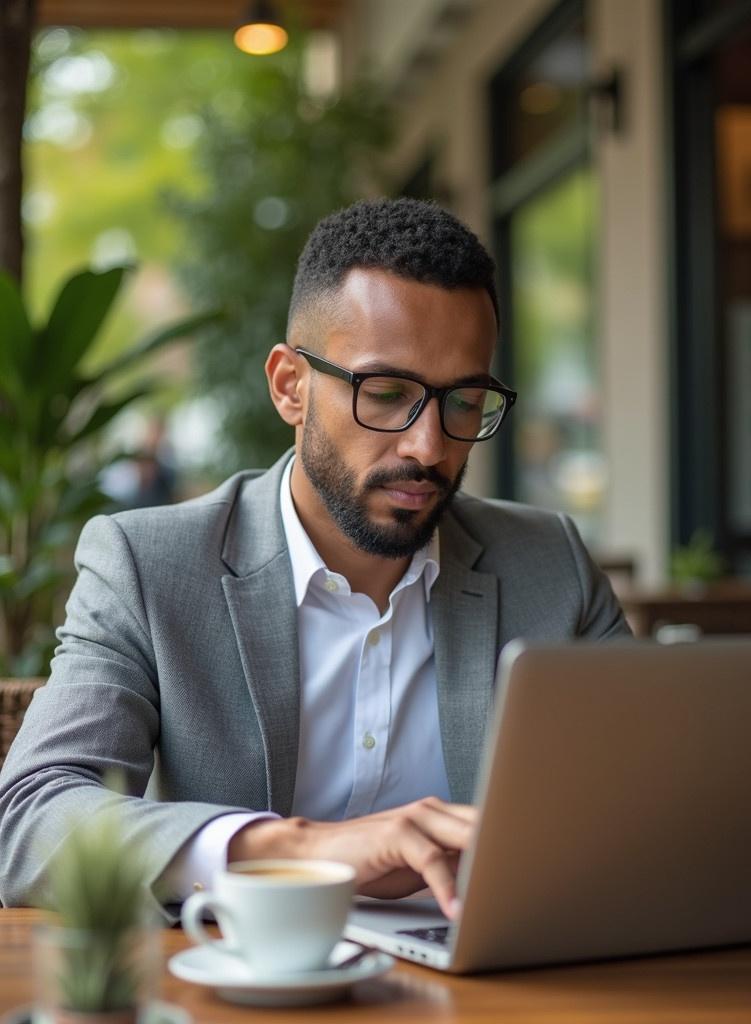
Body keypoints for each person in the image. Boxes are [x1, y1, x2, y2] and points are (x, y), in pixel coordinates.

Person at [0, 198, 629, 920]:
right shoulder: (149, 566)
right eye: (386, 394)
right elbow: (29, 819)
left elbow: (656, 792)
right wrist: (297, 850)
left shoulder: (551, 564)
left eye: (463, 401)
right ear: (289, 386)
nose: (428, 446)